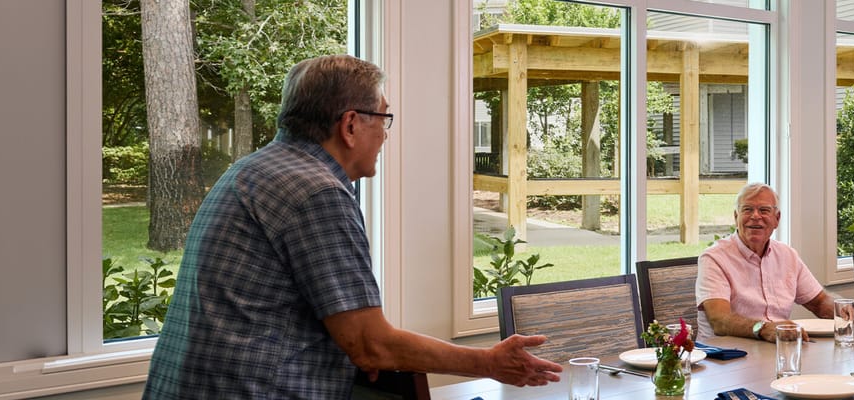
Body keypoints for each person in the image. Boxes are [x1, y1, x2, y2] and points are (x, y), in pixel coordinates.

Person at [143, 55, 562, 398]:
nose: (385, 135)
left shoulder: (252, 169)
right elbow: (368, 342)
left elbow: (311, 321)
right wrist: (487, 362)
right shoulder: (316, 192)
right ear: (350, 125)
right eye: (384, 119)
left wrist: (358, 351)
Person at [696, 183, 854, 341]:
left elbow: (820, 302)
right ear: (736, 217)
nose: (755, 216)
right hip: (725, 357)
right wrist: (763, 328)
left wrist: (842, 311)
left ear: (777, 219)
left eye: (764, 210)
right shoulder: (714, 258)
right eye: (747, 209)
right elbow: (720, 320)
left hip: (777, 349)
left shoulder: (787, 255)